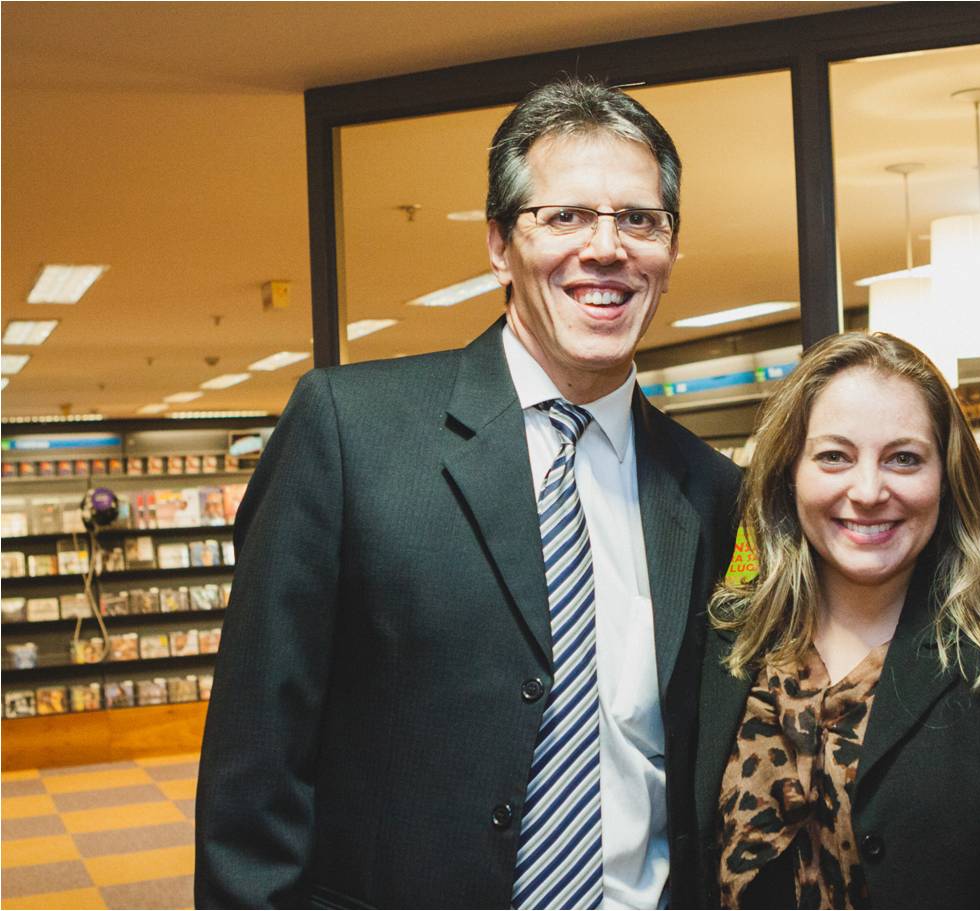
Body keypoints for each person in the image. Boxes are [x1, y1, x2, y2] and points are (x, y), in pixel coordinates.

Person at [195, 78, 742, 909]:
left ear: (669, 248)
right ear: (498, 244)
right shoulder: (350, 432)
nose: (608, 248)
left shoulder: (710, 490)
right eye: (565, 216)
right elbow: (253, 778)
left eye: (640, 219)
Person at [693, 332, 980, 909]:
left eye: (904, 458)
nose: (869, 490)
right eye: (835, 456)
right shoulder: (727, 644)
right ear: (789, 473)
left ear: (947, 478)